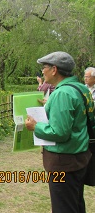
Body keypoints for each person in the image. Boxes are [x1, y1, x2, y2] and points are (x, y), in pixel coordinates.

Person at [25, 51, 92, 213]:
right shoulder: (80, 88)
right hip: (79, 157)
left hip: (64, 162)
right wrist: (51, 103)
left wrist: (35, 127)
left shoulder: (62, 93)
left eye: (44, 67)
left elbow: (60, 133)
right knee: (75, 203)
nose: (42, 71)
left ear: (54, 70)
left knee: (64, 207)